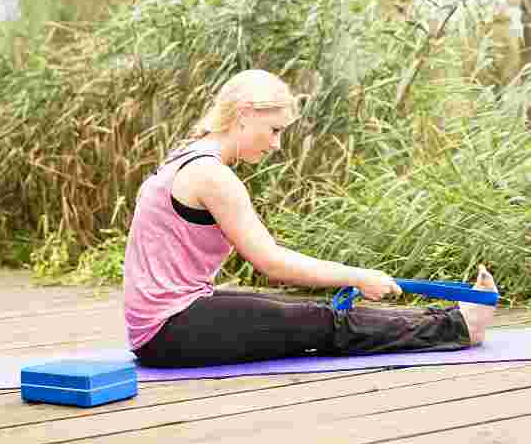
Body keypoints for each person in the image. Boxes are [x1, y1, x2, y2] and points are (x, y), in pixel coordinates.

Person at [124, 69, 497, 368]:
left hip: (164, 324)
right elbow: (273, 264)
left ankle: (452, 319)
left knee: (296, 313)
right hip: (169, 329)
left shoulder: (185, 156)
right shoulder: (211, 175)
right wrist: (358, 276)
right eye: (274, 130)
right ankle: (460, 326)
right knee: (323, 320)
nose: (276, 144)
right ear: (242, 116)